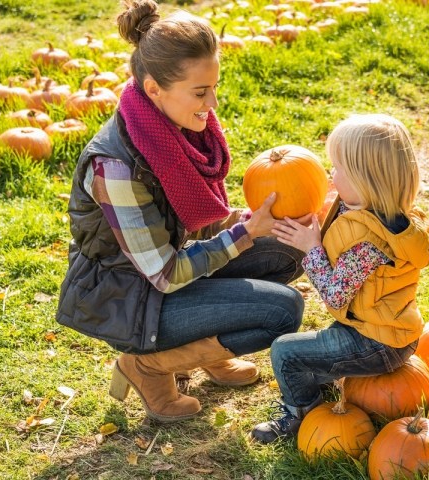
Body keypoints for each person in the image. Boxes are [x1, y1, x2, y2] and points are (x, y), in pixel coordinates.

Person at [56, 0, 310, 423]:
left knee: (286, 251)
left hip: (159, 274)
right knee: (283, 311)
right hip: (128, 296)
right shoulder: (116, 167)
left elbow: (197, 220)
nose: (211, 103)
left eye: (214, 87)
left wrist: (258, 223)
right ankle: (148, 366)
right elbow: (165, 273)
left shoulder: (171, 128)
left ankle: (206, 349)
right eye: (199, 92)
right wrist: (244, 235)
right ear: (154, 88)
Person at [251, 114, 429, 443]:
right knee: (312, 358)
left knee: (285, 352)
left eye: (338, 169)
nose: (331, 176)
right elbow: (342, 221)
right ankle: (327, 381)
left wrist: (311, 249)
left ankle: (301, 415)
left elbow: (335, 296)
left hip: (376, 342)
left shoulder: (369, 243)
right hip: (377, 327)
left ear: (365, 180)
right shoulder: (375, 209)